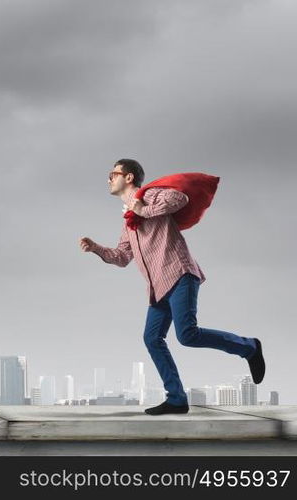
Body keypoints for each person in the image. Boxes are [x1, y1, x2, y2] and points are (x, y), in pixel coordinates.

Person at [79, 159, 265, 415]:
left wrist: (142, 208)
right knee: (152, 338)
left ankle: (249, 347)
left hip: (179, 274)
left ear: (129, 177)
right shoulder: (127, 223)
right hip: (158, 288)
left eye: (113, 173)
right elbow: (122, 257)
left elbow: (178, 199)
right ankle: (176, 398)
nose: (109, 178)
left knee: (187, 334)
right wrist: (96, 248)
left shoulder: (150, 195)